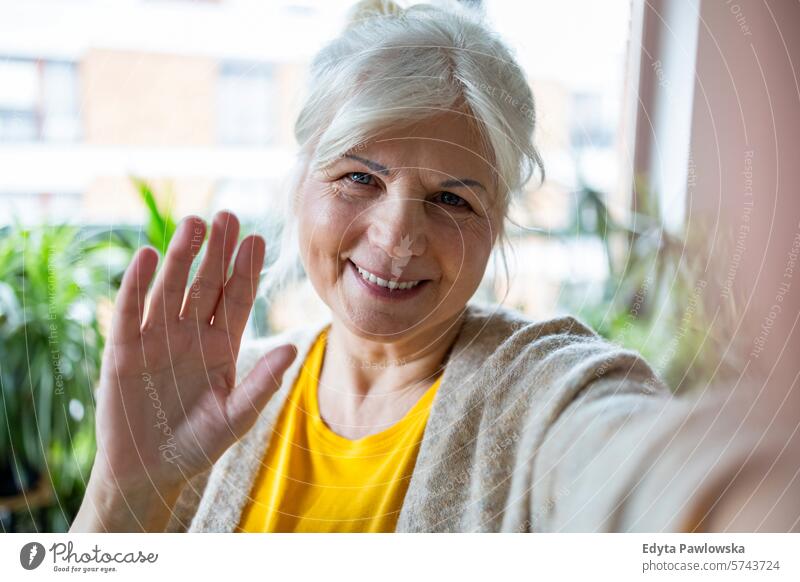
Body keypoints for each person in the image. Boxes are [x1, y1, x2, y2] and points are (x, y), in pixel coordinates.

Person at [70, 0, 799, 533]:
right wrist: (122, 492)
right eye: (359, 178)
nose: (397, 235)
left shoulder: (543, 391)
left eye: (451, 197)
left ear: (499, 221)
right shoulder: (226, 394)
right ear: (300, 182)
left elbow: (634, 461)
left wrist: (748, 496)